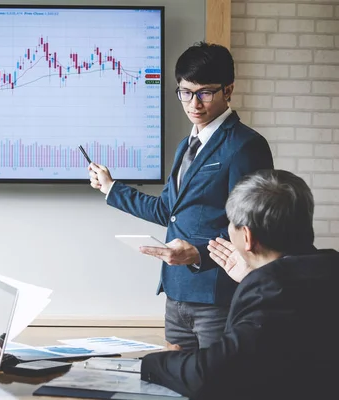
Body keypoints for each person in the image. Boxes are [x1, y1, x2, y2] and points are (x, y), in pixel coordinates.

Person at [88, 42, 273, 350]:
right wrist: (111, 188)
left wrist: (198, 252)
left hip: (217, 297)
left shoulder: (246, 145)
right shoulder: (184, 146)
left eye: (205, 93)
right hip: (176, 294)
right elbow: (168, 211)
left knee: (216, 387)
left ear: (228, 90)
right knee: (176, 389)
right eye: (185, 92)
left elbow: (252, 227)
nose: (194, 104)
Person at [140, 169, 339, 400]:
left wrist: (158, 361)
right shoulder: (326, 269)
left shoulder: (269, 292)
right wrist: (253, 276)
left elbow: (211, 376)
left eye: (231, 225)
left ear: (247, 236)